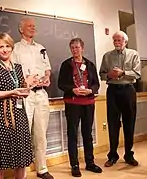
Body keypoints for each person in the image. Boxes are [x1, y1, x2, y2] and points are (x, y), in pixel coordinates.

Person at [0, 32, 33, 179]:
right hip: (1, 115)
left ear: (12, 48)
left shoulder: (18, 67)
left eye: (7, 46)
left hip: (19, 115)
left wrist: (28, 88)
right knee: (1, 158)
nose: (4, 50)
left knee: (21, 156)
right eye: (1, 47)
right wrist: (12, 92)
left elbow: (23, 90)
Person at [12, 17, 53, 179]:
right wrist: (25, 81)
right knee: (24, 133)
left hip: (41, 94)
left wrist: (47, 77)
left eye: (34, 26)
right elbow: (13, 72)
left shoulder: (41, 48)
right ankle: (21, 171)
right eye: (29, 26)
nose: (32, 28)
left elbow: (47, 69)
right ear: (21, 29)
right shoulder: (15, 49)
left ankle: (42, 168)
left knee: (41, 133)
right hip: (25, 96)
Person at [58, 38, 102, 177]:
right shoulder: (66, 65)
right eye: (72, 48)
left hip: (88, 103)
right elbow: (61, 84)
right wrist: (73, 90)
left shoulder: (89, 64)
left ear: (82, 48)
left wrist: (91, 90)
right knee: (72, 134)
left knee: (87, 134)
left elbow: (96, 83)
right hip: (73, 103)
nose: (75, 50)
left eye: (77, 47)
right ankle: (75, 165)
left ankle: (90, 163)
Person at [99, 31, 141, 167]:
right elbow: (102, 74)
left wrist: (123, 73)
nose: (116, 43)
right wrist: (110, 75)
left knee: (129, 123)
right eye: (114, 40)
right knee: (113, 123)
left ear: (125, 42)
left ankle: (129, 154)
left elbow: (137, 73)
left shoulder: (133, 54)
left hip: (128, 90)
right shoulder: (107, 56)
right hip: (112, 91)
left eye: (119, 40)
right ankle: (112, 155)